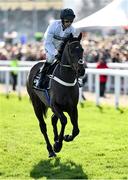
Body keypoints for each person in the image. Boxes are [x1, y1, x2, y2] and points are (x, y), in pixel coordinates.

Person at [36, 8, 76, 89]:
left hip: (61, 46)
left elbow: (69, 44)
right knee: (50, 58)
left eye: (71, 21)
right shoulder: (53, 25)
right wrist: (55, 53)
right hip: (50, 44)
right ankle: (41, 78)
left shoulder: (72, 29)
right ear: (62, 20)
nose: (69, 23)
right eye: (67, 21)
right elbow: (48, 43)